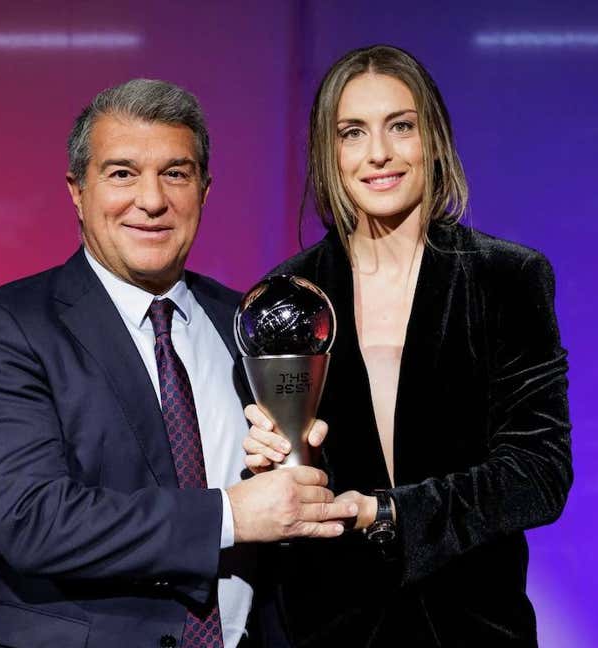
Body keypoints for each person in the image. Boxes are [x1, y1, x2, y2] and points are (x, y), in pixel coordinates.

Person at [0, 79, 356, 648]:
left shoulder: (243, 319)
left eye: (176, 173)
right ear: (76, 191)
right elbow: (33, 520)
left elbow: (293, 510)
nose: (152, 200)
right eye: (121, 173)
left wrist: (297, 468)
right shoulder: (8, 327)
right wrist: (230, 516)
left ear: (205, 190)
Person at [242, 45, 573, 646]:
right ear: (328, 152)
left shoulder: (506, 278)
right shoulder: (288, 300)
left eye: (400, 126)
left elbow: (539, 474)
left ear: (434, 139)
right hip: (333, 630)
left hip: (474, 628)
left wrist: (390, 515)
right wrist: (280, 465)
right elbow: (288, 494)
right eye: (352, 133)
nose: (378, 154)